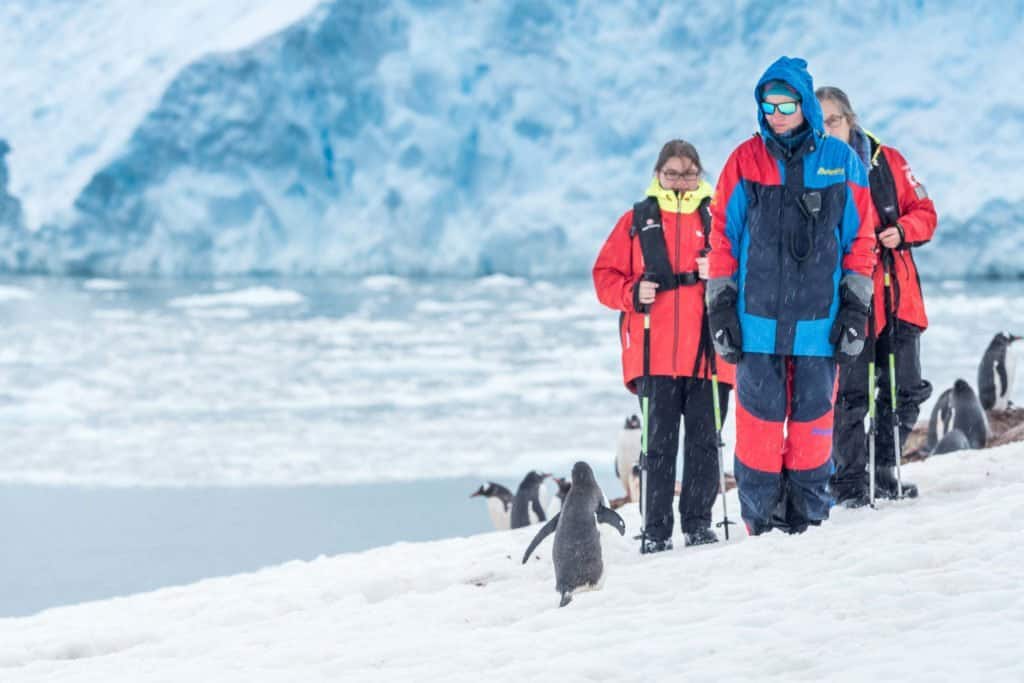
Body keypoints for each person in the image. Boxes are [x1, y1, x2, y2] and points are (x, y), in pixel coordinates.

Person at [705, 57, 877, 535]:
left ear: (806, 104)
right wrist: (720, 306)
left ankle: (808, 518)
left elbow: (860, 241)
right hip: (756, 325)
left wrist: (856, 309)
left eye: (786, 103)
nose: (777, 113)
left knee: (813, 428)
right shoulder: (744, 160)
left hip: (819, 327)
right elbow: (723, 236)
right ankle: (759, 523)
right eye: (768, 103)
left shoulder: (842, 163)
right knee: (758, 431)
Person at [593, 139, 735, 553]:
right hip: (654, 356)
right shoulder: (636, 221)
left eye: (688, 173)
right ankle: (655, 530)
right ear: (658, 174)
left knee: (706, 443)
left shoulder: (720, 218)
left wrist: (723, 269)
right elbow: (604, 276)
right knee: (657, 447)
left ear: (700, 174)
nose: (680, 180)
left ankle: (697, 523)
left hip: (709, 356)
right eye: (672, 172)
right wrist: (633, 293)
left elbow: (750, 273)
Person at [817, 86, 937, 506]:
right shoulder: (811, 167)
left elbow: (925, 212)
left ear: (850, 119)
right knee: (849, 396)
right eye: (820, 121)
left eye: (833, 119)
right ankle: (848, 483)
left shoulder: (888, 161)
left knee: (905, 389)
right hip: (848, 300)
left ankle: (884, 468)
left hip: (897, 294)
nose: (827, 127)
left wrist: (902, 231)